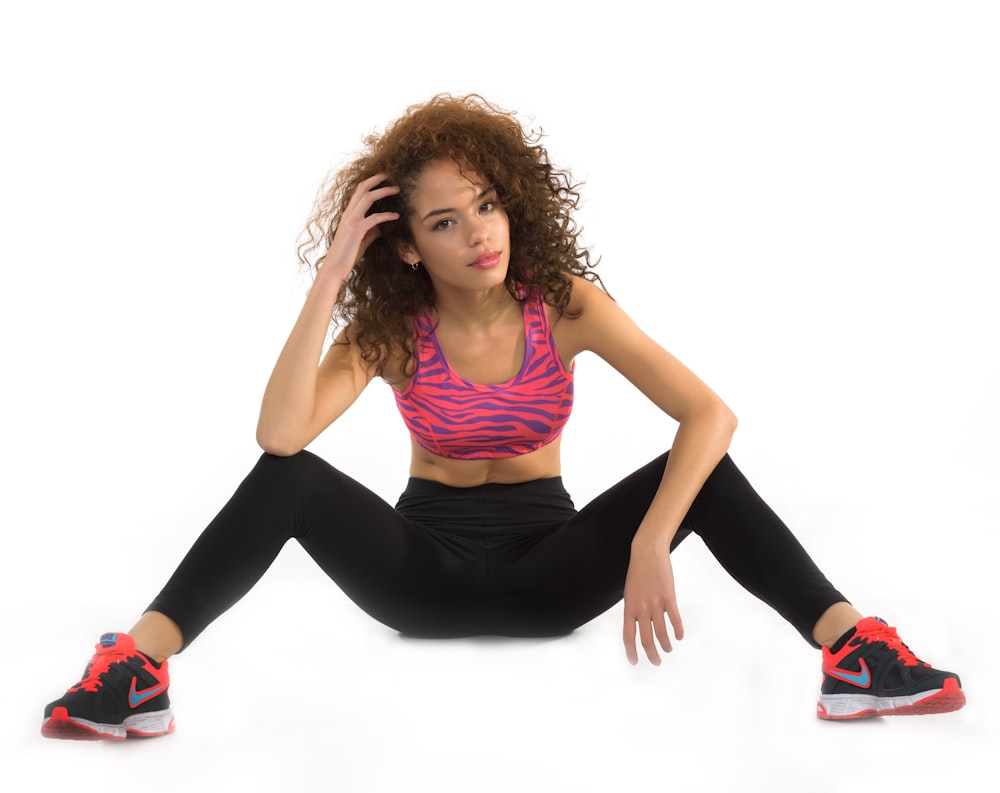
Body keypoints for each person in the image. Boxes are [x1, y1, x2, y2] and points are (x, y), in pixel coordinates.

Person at [42, 94, 965, 740]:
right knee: (288, 479)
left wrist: (651, 539)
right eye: (445, 222)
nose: (480, 233)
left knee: (703, 473)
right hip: (420, 576)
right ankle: (138, 670)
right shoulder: (389, 330)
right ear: (405, 245)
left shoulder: (563, 303)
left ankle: (852, 653)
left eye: (486, 206)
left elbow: (710, 414)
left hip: (550, 575)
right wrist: (329, 277)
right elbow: (279, 437)